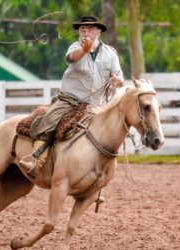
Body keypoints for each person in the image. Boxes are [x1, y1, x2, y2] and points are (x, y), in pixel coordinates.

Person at [19, 15, 124, 177]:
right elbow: (71, 58)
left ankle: (97, 178)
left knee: (108, 134)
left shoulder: (110, 53)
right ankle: (35, 160)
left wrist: (116, 80)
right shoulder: (75, 47)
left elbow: (120, 77)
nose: (85, 31)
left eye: (89, 28)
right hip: (69, 99)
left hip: (97, 105)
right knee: (49, 121)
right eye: (82, 29)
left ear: (97, 31)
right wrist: (84, 50)